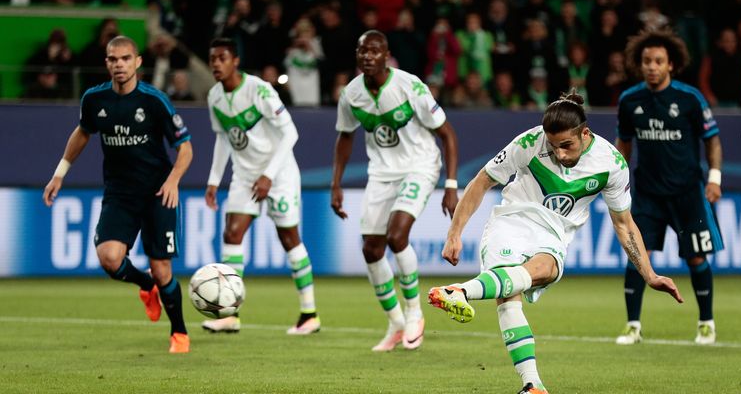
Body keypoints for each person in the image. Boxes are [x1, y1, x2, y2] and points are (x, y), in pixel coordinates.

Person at [428, 90, 683, 394]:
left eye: (567, 145)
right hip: (513, 219)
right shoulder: (529, 143)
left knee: (546, 269)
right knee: (509, 297)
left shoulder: (611, 163)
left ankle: (459, 291)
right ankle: (532, 385)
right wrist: (454, 232)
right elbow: (483, 180)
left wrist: (649, 275)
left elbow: (624, 223)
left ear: (584, 133)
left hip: (553, 231)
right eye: (554, 146)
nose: (560, 154)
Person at [42, 35, 192, 354]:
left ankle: (179, 332)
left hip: (157, 192)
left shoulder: (154, 101)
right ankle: (145, 285)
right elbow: (83, 132)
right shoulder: (95, 100)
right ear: (107, 63)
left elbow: (186, 148)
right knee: (110, 259)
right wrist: (59, 174)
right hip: (120, 193)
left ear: (137, 62)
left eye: (125, 59)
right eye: (113, 59)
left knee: (162, 267)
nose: (119, 65)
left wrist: (174, 181)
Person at [332, 30, 459, 352]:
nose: (367, 57)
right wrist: (336, 183)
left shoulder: (410, 86)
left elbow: (447, 135)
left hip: (420, 166)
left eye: (374, 51)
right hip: (381, 173)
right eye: (362, 51)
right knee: (371, 250)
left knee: (396, 236)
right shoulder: (351, 94)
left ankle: (415, 313)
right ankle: (396, 324)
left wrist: (450, 184)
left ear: (386, 55)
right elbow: (345, 137)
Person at [203, 37, 320, 335]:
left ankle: (309, 314)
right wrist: (214, 179)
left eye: (222, 58)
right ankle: (229, 313)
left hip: (278, 174)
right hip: (244, 175)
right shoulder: (214, 96)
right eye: (212, 58)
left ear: (235, 61)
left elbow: (291, 133)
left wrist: (269, 174)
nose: (216, 63)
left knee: (289, 238)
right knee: (232, 233)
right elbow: (222, 138)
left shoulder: (259, 90)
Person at [615, 28, 723, 346]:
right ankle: (632, 325)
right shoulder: (629, 100)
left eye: (658, 61)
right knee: (638, 256)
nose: (652, 66)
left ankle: (706, 323)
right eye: (647, 60)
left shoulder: (690, 98)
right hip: (648, 194)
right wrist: (615, 185)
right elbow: (624, 145)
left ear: (671, 64)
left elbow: (712, 140)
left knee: (696, 259)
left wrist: (714, 178)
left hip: (688, 192)